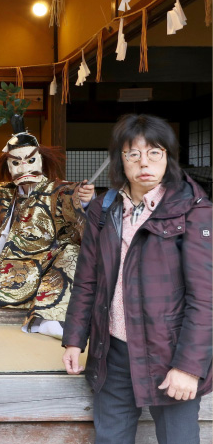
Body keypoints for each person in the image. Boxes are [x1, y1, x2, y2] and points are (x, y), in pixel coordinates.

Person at [62, 114, 212, 444]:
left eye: (155, 152)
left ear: (168, 157)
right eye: (133, 154)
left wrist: (189, 367)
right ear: (121, 160)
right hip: (112, 350)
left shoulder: (194, 209)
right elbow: (88, 280)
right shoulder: (105, 208)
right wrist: (75, 338)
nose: (144, 162)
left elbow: (205, 297)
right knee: (111, 438)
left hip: (168, 350)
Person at [0, 115, 94, 338]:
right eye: (16, 162)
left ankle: (46, 318)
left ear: (41, 161)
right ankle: (29, 292)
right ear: (8, 166)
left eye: (30, 160)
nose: (23, 167)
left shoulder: (57, 190)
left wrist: (84, 199)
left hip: (45, 266)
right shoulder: (1, 192)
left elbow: (72, 197)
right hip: (9, 270)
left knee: (72, 254)